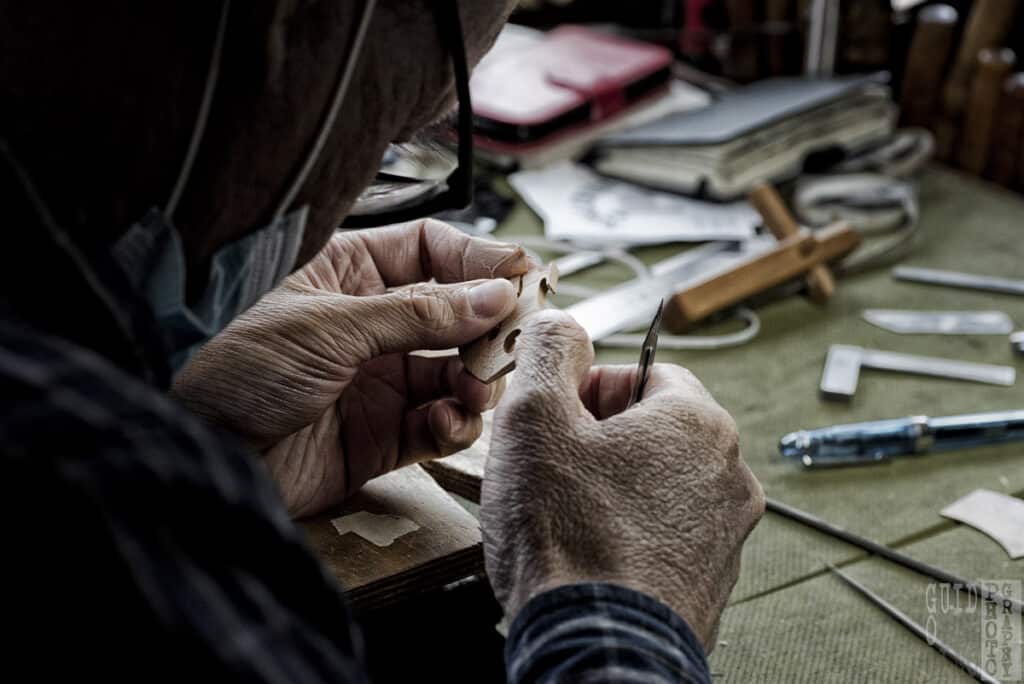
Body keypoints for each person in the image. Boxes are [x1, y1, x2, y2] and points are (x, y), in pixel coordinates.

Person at [1, 2, 763, 681]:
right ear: (281, 23)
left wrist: (195, 430)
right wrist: (621, 608)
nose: (356, 185)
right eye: (394, 144)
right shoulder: (108, 494)